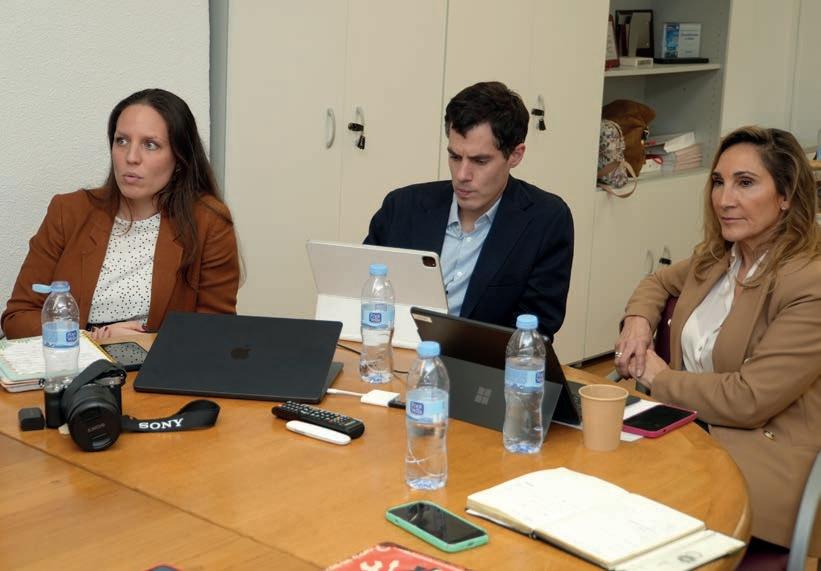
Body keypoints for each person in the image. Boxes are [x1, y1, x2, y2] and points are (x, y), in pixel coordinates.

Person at [615, 126, 821, 555]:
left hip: (758, 462)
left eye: (745, 183)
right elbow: (657, 282)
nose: (725, 199)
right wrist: (637, 322)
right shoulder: (720, 256)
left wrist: (660, 378)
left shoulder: (809, 281)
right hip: (684, 436)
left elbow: (749, 399)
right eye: (718, 182)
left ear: (785, 195)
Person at [2, 88, 240, 340]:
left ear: (179, 159)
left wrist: (143, 342)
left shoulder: (208, 222)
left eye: (150, 145)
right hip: (74, 361)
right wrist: (92, 339)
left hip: (156, 363)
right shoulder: (68, 211)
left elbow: (215, 334)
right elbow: (17, 319)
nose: (131, 157)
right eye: (122, 141)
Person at [364, 81, 573, 340]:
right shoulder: (402, 207)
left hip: (482, 362)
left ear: (515, 155)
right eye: (455, 157)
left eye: (480, 161)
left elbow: (534, 332)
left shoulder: (546, 220)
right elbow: (361, 293)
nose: (462, 175)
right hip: (393, 352)